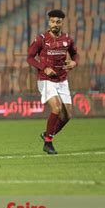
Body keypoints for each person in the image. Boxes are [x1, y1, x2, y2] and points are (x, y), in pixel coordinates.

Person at [27, 9, 79, 154]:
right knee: (56, 108)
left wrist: (75, 63)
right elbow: (30, 58)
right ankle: (48, 143)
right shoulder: (41, 39)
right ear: (49, 22)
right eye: (52, 21)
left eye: (58, 22)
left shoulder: (67, 39)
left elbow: (75, 55)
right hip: (45, 79)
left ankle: (47, 135)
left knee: (67, 115)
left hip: (62, 79)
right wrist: (44, 68)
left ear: (62, 23)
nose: (55, 24)